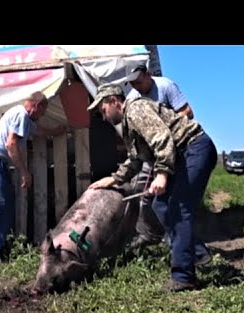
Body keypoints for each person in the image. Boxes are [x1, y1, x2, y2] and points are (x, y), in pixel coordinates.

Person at [87, 83, 218, 292]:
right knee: (161, 206)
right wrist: (113, 179)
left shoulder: (136, 110)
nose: (104, 117)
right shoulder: (129, 125)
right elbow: (135, 160)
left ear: (113, 101)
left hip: (194, 148)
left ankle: (184, 277)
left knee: (177, 208)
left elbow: (161, 138)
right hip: (183, 154)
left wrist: (162, 174)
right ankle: (195, 250)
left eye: (103, 110)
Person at [123, 62, 212, 267]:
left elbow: (187, 112)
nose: (136, 86)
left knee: (177, 204)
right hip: (156, 154)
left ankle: (182, 259)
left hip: (177, 148)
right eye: (132, 84)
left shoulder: (165, 86)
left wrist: (164, 125)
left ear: (147, 74)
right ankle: (183, 246)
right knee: (154, 202)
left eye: (138, 81)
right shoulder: (133, 100)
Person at [0, 91, 67, 264]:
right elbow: (11, 144)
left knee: (3, 205)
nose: (41, 116)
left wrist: (56, 131)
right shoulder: (21, 114)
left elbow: (38, 130)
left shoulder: (25, 119)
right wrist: (24, 172)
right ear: (36, 105)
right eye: (42, 112)